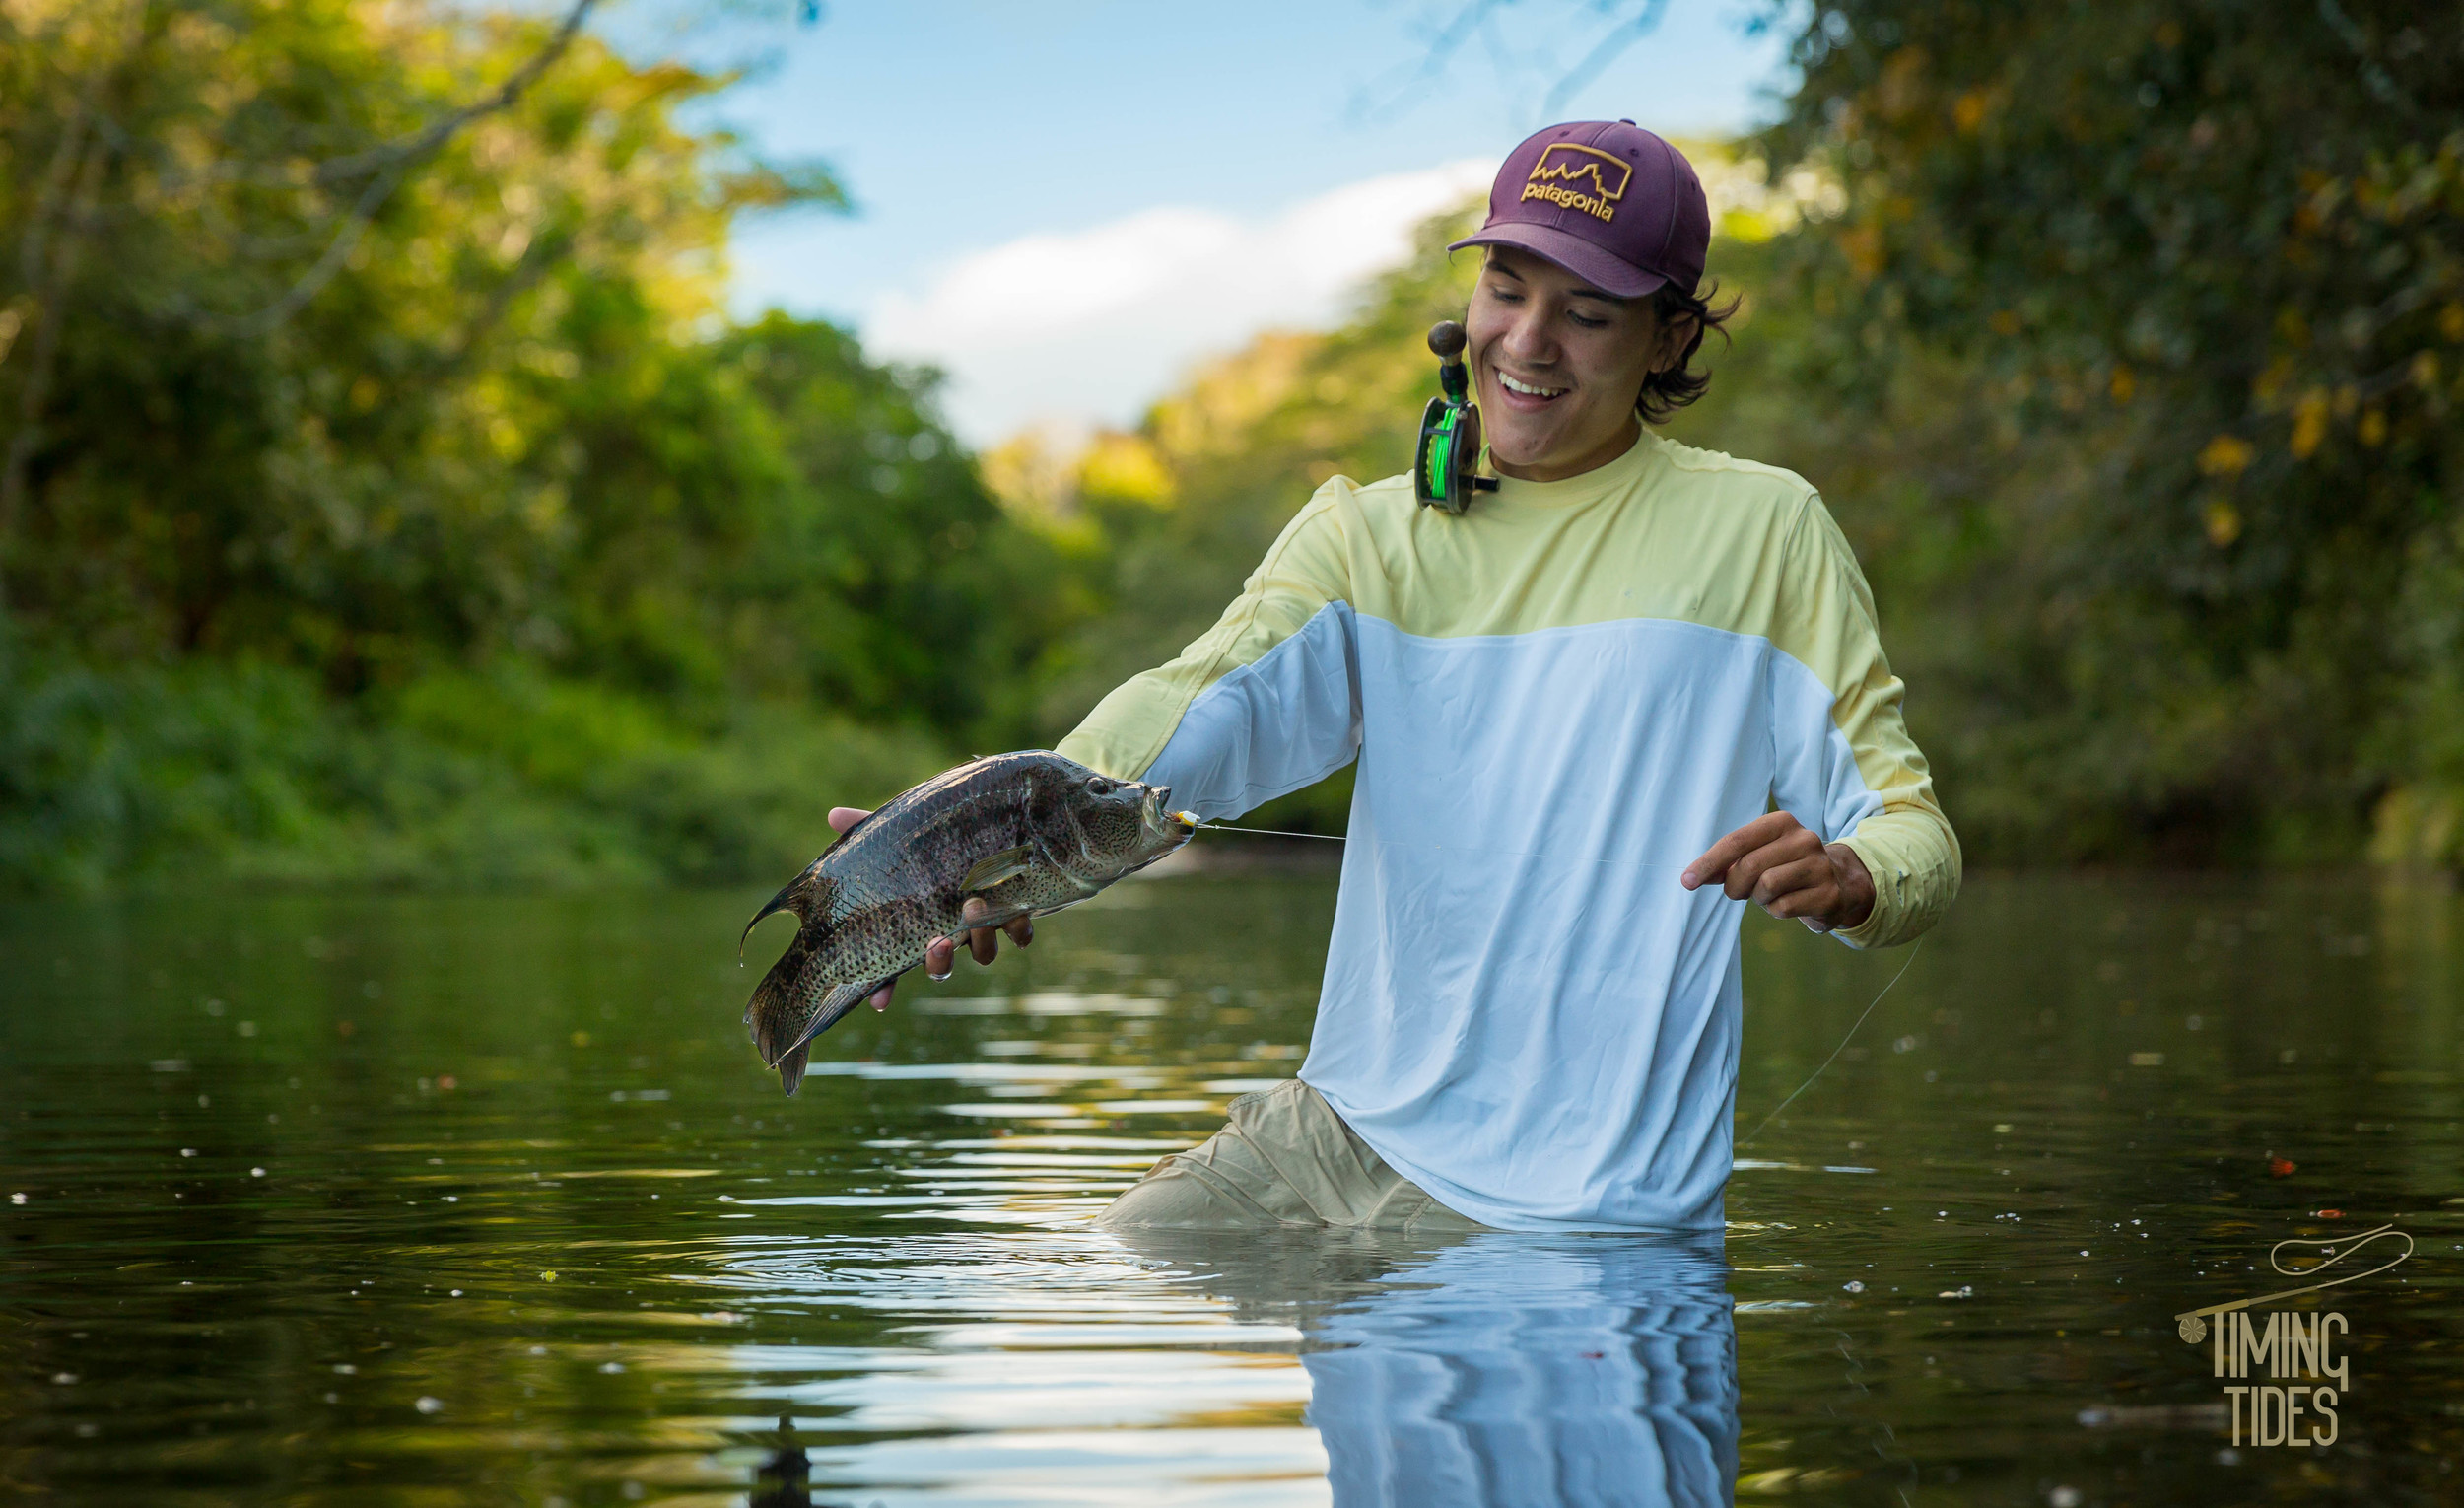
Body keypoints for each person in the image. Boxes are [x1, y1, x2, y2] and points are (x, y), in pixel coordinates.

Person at [840, 119, 1959, 1232]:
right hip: (1328, 1142)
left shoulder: (1765, 530)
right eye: (1506, 290)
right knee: (1099, 1269)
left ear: (1667, 340)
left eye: (1585, 313)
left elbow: (1911, 828)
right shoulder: (1363, 533)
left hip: (1580, 1199)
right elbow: (1196, 706)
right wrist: (988, 823)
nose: (1526, 342)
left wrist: (1853, 876)